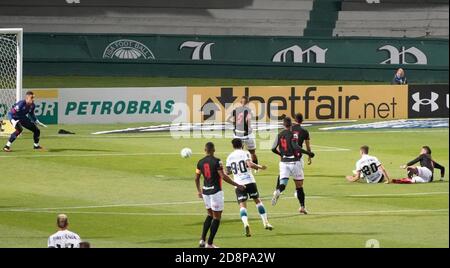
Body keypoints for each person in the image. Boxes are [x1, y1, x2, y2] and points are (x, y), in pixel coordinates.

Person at [195, 142, 246, 248]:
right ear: (214, 150)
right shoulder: (217, 161)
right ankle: (209, 244)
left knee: (210, 215)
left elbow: (196, 178)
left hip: (205, 192)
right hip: (215, 192)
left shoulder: (200, 162)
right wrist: (238, 185)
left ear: (205, 150)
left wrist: (199, 191)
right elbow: (223, 176)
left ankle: (202, 240)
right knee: (217, 218)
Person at [226, 138, 273, 237]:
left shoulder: (229, 157)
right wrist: (260, 167)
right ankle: (265, 222)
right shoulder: (245, 153)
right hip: (249, 181)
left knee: (242, 206)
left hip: (238, 183)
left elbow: (228, 172)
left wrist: (236, 171)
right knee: (258, 201)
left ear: (233, 146)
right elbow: (249, 164)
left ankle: (246, 223)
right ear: (242, 145)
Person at [271, 117, 315, 214]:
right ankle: (302, 207)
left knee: (283, 183)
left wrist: (281, 154)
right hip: (295, 162)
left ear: (283, 125)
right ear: (291, 125)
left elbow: (273, 148)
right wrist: (308, 153)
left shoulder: (279, 134)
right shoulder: (293, 134)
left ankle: (278, 191)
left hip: (283, 162)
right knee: (299, 186)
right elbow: (296, 147)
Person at [231, 96, 258, 166]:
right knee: (252, 152)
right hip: (247, 134)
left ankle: (240, 167)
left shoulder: (235, 110)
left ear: (240, 102)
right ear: (248, 102)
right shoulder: (249, 110)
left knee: (239, 152)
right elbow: (247, 121)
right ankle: (256, 168)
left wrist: (235, 128)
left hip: (237, 134)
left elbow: (234, 121)